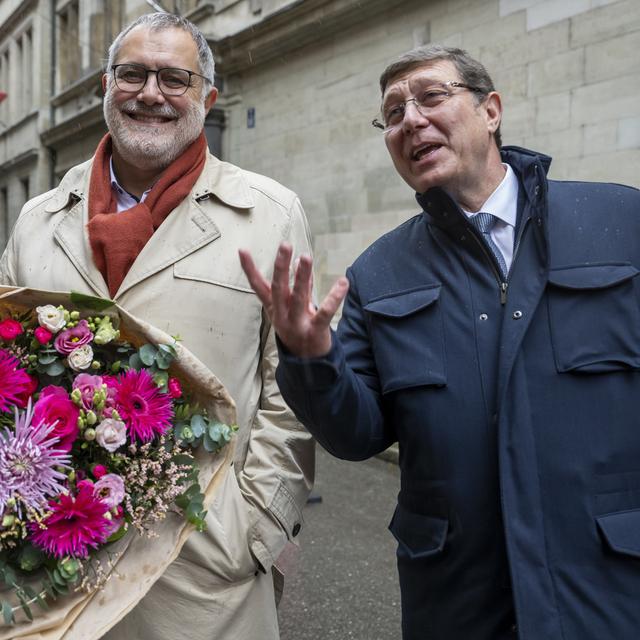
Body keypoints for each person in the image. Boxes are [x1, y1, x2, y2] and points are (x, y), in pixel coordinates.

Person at [240, 45, 640, 640]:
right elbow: (355, 435)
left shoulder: (618, 222)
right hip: (458, 602)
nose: (411, 120)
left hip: (608, 590)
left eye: (431, 97)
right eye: (394, 113)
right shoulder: (380, 273)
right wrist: (310, 356)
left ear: (491, 111)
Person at [0, 13, 314, 640]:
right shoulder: (39, 219)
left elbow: (293, 385)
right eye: (133, 74)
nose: (151, 93)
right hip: (50, 566)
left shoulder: (269, 212)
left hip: (200, 568)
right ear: (106, 88)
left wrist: (254, 528)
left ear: (208, 99)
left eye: (175, 78)